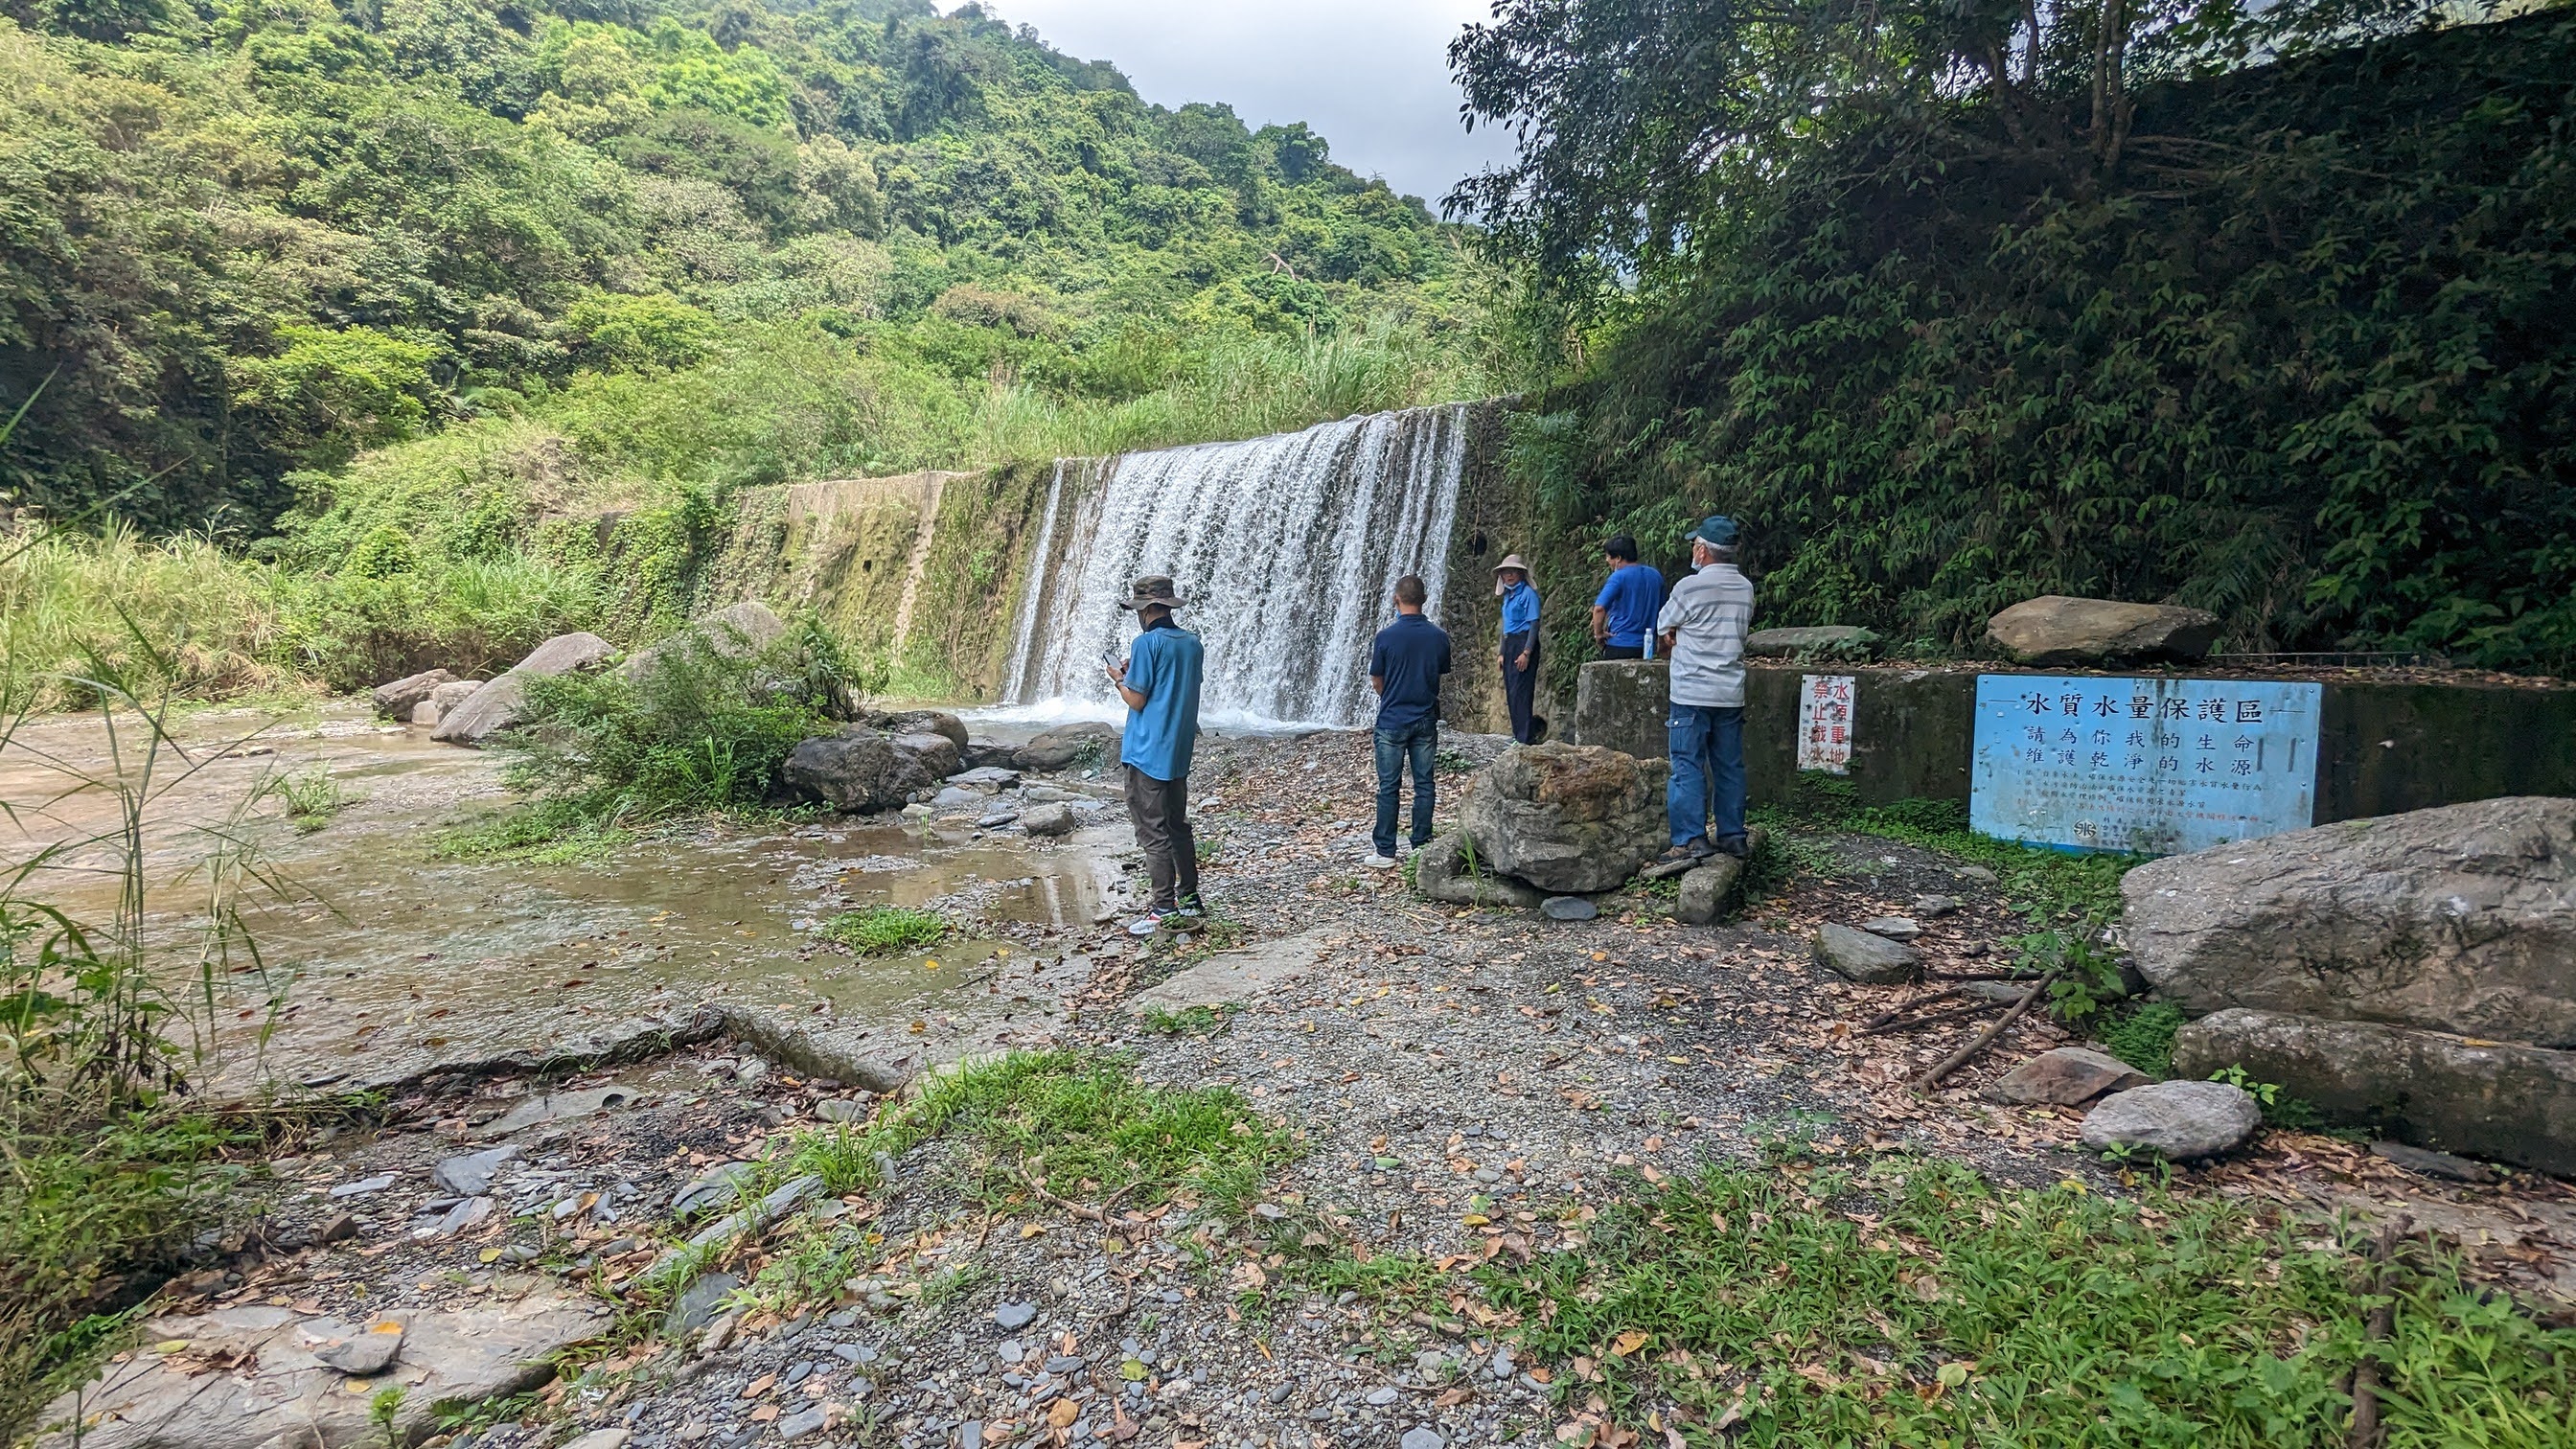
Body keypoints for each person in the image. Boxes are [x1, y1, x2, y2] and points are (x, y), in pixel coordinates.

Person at [1106, 575, 1205, 922]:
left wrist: (1119, 678)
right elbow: (1173, 682)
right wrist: (1138, 671)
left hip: (1146, 752)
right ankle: (1190, 898)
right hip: (1177, 752)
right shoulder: (1192, 643)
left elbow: (1137, 699)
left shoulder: (1145, 644)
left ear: (1145, 610)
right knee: (1178, 825)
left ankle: (1163, 908)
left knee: (1153, 832)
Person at [1656, 516, 1756, 862]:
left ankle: (1690, 839)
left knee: (1686, 765)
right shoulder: (1745, 587)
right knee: (1729, 765)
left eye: (1694, 545)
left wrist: (1676, 634)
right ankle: (1732, 836)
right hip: (1729, 691)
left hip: (1691, 692)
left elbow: (1663, 623)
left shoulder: (1689, 586)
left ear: (1702, 550)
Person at [1363, 573, 1452, 868]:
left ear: (1396, 599)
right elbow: (1438, 672)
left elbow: (1377, 679)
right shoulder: (1439, 637)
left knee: (1389, 786)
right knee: (1424, 784)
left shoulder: (1385, 637)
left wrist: (1391, 696)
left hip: (1391, 719)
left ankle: (1385, 852)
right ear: (1424, 600)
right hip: (1425, 718)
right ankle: (1421, 847)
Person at [1493, 554, 1543, 745]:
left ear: (1521, 574)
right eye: (1506, 572)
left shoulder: (1528, 594)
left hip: (1524, 642)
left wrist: (1526, 652)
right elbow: (1506, 627)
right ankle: (1518, 735)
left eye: (1513, 571)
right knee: (1512, 691)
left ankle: (1525, 738)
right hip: (1510, 643)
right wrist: (1501, 652)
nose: (1509, 575)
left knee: (1522, 690)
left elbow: (1534, 624)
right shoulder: (1508, 595)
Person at [1590, 534, 1665, 660]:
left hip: (1620, 645)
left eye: (1608, 557)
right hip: (1647, 647)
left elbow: (1599, 609)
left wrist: (1599, 634)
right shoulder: (1655, 575)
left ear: (1618, 558)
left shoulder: (1618, 577)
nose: (1607, 560)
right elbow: (1663, 611)